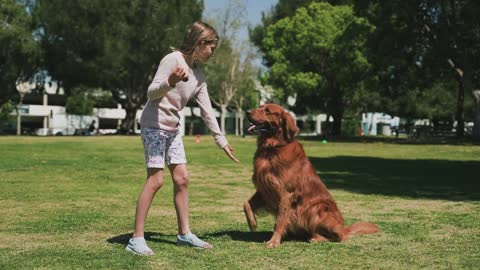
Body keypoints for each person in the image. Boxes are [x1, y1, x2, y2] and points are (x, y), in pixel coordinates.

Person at [125, 21, 240, 256]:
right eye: (211, 47)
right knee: (156, 180)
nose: (213, 52)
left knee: (182, 178)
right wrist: (171, 82)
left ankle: (184, 234)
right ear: (200, 43)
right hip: (154, 125)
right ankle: (136, 239)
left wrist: (222, 141)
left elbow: (207, 111)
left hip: (173, 128)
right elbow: (151, 92)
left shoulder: (198, 75)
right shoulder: (172, 60)